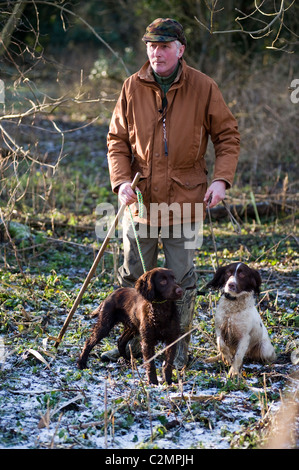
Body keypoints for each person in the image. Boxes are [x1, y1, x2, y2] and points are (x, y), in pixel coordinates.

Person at [104, 18, 240, 368]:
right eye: (152, 46)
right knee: (135, 274)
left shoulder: (204, 87)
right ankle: (135, 347)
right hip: (141, 199)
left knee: (180, 279)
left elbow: (227, 137)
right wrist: (120, 182)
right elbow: (116, 141)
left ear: (180, 50)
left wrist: (220, 180)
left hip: (187, 199)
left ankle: (177, 350)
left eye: (164, 46)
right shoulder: (131, 87)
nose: (157, 53)